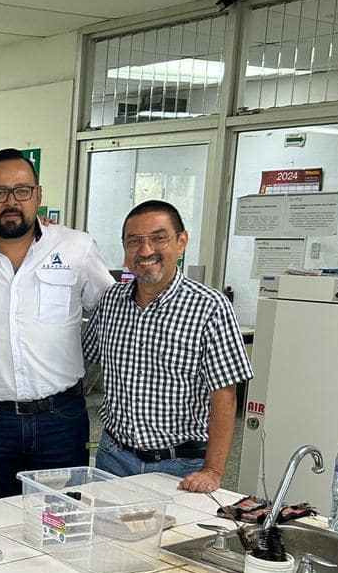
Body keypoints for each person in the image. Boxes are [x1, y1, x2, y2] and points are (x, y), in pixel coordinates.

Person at [0, 148, 115, 500]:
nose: (11, 201)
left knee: (62, 522)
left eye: (21, 191)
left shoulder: (76, 248)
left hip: (60, 419)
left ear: (37, 195)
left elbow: (112, 311)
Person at [83, 200, 253, 493]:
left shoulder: (209, 307)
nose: (146, 250)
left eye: (158, 238)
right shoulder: (110, 302)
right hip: (113, 460)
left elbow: (224, 397)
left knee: (172, 539)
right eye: (134, 241)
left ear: (181, 241)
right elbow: (87, 359)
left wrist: (212, 470)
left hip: (181, 465)